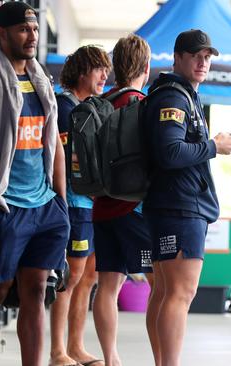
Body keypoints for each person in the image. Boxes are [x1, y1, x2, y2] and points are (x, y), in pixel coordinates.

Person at [0, 2, 69, 365]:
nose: (32, 36)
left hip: (43, 204)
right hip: (4, 205)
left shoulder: (41, 81)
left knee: (37, 291)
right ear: (1, 34)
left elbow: (54, 146)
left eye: (34, 29)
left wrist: (60, 203)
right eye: (23, 29)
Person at [143, 29, 231, 366]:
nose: (203, 62)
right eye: (196, 55)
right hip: (180, 207)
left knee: (167, 293)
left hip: (168, 206)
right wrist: (214, 146)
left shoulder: (176, 94)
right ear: (177, 58)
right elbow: (170, 152)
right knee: (180, 294)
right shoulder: (173, 97)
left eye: (207, 56)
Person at [90, 34, 157, 366]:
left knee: (108, 285)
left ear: (116, 66)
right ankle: (164, 357)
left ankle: (111, 358)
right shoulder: (141, 105)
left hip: (101, 208)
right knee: (163, 287)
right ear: (146, 67)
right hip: (134, 209)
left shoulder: (102, 103)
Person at [49, 45, 111, 366]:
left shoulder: (89, 108)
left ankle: (75, 346)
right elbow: (60, 161)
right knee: (70, 277)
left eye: (106, 69)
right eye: (99, 69)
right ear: (82, 71)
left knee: (88, 277)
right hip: (72, 203)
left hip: (90, 203)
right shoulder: (64, 108)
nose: (105, 75)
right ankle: (58, 350)